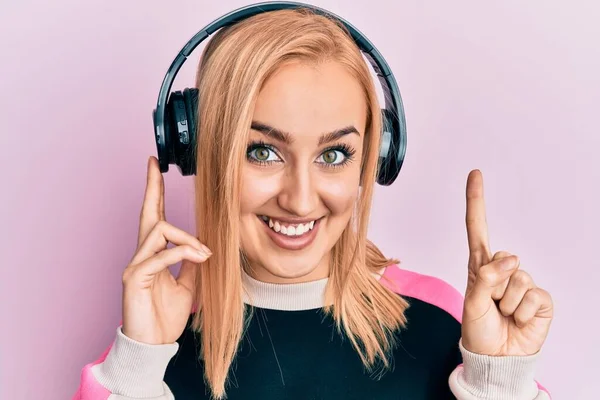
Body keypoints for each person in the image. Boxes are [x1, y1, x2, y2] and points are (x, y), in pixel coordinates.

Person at [72, 5, 554, 400]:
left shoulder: (444, 323)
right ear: (202, 150)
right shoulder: (152, 347)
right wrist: (138, 367)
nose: (300, 200)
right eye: (261, 151)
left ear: (374, 158)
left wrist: (499, 383)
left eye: (334, 154)